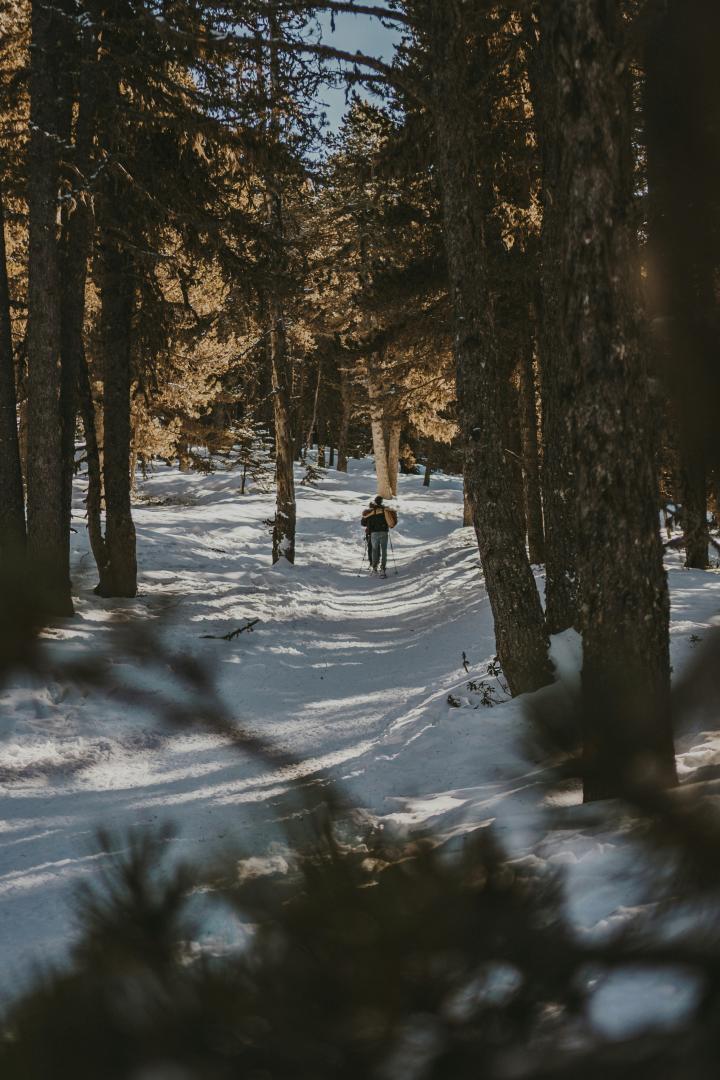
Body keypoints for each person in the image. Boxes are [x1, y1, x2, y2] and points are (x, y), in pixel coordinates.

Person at [361, 496, 398, 577]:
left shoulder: (371, 511)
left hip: (374, 533)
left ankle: (374, 568)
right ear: (381, 502)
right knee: (384, 551)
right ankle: (383, 569)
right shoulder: (385, 511)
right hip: (384, 532)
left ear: (375, 502)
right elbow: (390, 521)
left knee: (374, 550)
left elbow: (363, 523)